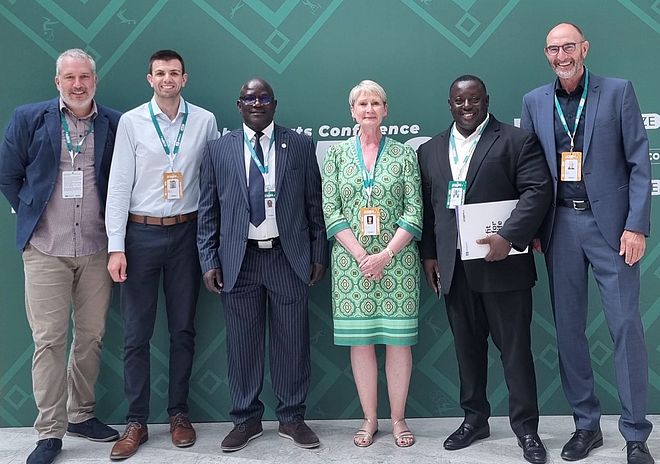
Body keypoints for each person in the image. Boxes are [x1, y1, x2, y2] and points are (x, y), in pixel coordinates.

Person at [521, 22, 653, 464]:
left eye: (568, 47)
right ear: (546, 54)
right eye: (553, 49)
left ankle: (636, 434)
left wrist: (637, 226)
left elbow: (639, 163)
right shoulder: (534, 101)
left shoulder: (618, 92)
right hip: (559, 227)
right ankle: (586, 425)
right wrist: (533, 227)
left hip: (612, 230)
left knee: (625, 327)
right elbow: (532, 171)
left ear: (584, 48)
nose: (561, 56)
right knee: (569, 331)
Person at [418, 75, 552, 464]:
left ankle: (526, 430)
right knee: (467, 350)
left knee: (515, 352)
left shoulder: (516, 140)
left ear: (486, 100)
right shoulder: (430, 150)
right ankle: (474, 420)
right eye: (459, 101)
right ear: (450, 104)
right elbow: (430, 209)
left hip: (503, 266)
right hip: (454, 268)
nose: (467, 107)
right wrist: (430, 255)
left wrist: (509, 236)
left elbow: (537, 191)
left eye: (474, 99)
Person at [0, 48, 121, 464]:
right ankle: (49, 432)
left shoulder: (114, 123)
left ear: (95, 80)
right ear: (58, 82)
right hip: (45, 249)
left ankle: (81, 414)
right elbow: (8, 175)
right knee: (49, 340)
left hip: (96, 248)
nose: (78, 84)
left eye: (84, 76)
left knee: (91, 337)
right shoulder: (29, 118)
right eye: (70, 77)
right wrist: (31, 211)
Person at [197, 77, 328, 452]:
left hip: (288, 258)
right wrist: (209, 258)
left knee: (293, 342)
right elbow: (208, 210)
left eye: (264, 97)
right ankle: (245, 419)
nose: (257, 103)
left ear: (275, 104)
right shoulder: (218, 149)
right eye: (249, 98)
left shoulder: (299, 145)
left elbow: (314, 204)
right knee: (242, 344)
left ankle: (292, 417)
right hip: (239, 260)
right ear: (238, 105)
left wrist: (318, 253)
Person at [105, 49, 219, 460]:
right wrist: (116, 246)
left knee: (183, 330)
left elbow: (215, 182)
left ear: (184, 79)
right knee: (136, 335)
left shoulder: (204, 121)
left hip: (187, 234)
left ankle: (178, 414)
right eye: (160, 73)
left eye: (174, 73)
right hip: (140, 235)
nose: (167, 79)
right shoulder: (132, 122)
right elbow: (119, 185)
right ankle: (136, 421)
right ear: (149, 79)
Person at [321, 80, 422, 448]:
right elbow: (330, 210)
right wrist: (362, 256)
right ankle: (369, 419)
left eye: (375, 103)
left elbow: (414, 210)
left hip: (397, 263)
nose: (369, 109)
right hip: (352, 266)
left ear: (385, 110)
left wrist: (385, 255)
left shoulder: (404, 155)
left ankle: (398, 419)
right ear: (352, 111)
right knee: (361, 343)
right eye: (362, 103)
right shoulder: (336, 155)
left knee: (398, 343)